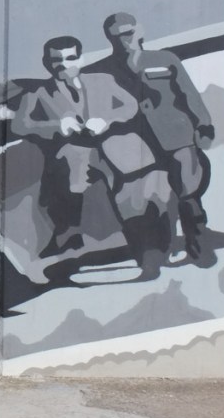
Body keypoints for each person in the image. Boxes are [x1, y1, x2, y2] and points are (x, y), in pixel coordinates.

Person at [98, 12, 215, 264]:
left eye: (128, 32)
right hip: (138, 143)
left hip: (178, 136)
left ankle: (199, 247)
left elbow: (189, 94)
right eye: (116, 36)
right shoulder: (104, 70)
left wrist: (204, 125)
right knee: (151, 196)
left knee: (189, 191)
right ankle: (160, 250)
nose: (124, 40)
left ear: (139, 30)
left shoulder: (164, 59)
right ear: (110, 39)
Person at [12, 36, 137, 258]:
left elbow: (130, 106)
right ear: (46, 62)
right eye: (56, 60)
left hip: (111, 148)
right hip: (70, 155)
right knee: (71, 192)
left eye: (70, 58)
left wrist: (105, 120)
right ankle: (71, 243)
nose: (63, 64)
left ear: (81, 59)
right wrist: (57, 125)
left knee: (128, 189)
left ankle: (137, 239)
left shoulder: (103, 80)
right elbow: (20, 125)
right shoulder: (37, 93)